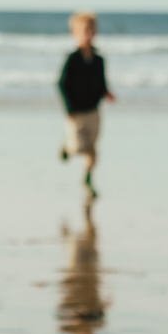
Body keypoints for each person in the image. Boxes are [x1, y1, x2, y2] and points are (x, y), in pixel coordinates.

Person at [57, 11, 115, 199]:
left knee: (92, 149)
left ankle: (87, 177)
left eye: (91, 30)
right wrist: (68, 108)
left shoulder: (99, 59)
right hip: (76, 111)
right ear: (75, 33)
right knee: (79, 147)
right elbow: (62, 84)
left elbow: (101, 82)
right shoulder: (72, 59)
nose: (88, 34)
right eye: (84, 31)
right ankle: (67, 148)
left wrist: (106, 93)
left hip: (93, 110)